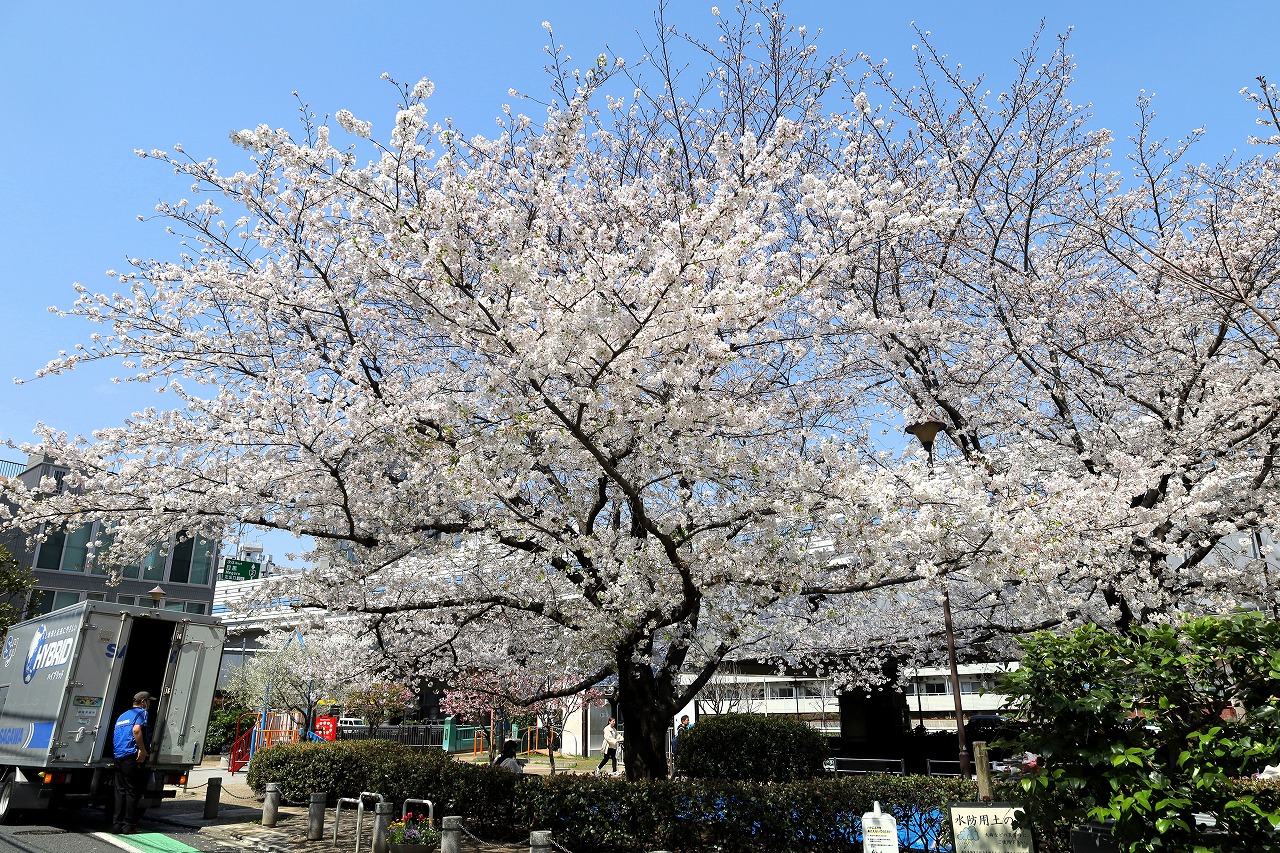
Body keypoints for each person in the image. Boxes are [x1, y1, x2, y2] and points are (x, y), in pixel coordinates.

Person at [112, 691, 152, 834]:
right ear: (143, 702)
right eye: (149, 701)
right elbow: (136, 730)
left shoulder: (122, 716)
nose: (149, 704)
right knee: (132, 791)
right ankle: (129, 825)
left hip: (118, 755)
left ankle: (116, 825)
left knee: (120, 791)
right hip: (131, 755)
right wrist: (142, 749)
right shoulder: (142, 713)